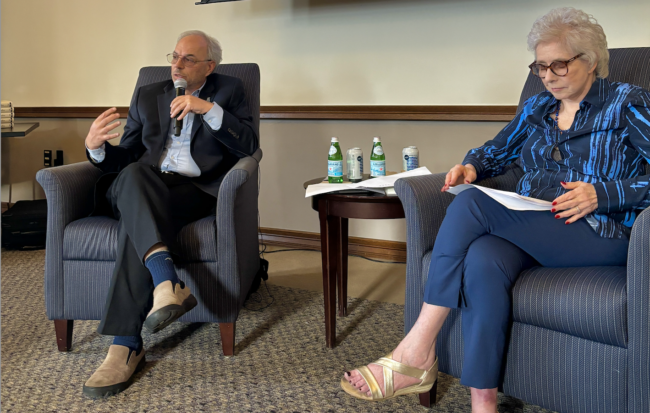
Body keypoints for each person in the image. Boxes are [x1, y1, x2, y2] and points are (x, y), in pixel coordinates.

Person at [341, 7, 650, 413]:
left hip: (600, 230)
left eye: (558, 64)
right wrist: (472, 166)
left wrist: (603, 193)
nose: (547, 75)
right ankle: (482, 403)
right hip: (538, 223)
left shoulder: (628, 102)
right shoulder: (538, 108)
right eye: (539, 66)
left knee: (472, 203)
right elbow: (495, 152)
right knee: (484, 258)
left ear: (590, 61)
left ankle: (416, 349)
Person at [82, 30, 258, 398]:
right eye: (174, 57)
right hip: (142, 183)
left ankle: (126, 344)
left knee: (139, 220)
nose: (177, 65)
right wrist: (96, 149)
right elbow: (128, 156)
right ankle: (165, 284)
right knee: (134, 180)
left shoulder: (229, 90)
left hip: (192, 191)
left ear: (209, 66)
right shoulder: (149, 94)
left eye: (188, 59)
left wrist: (207, 110)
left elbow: (249, 146)